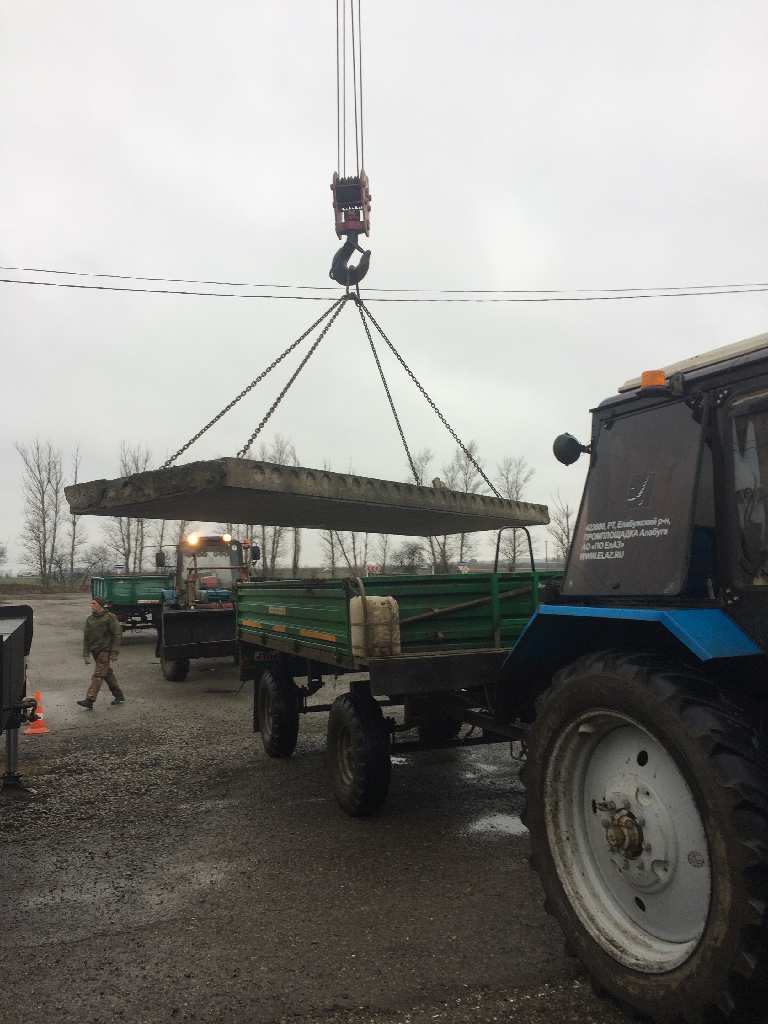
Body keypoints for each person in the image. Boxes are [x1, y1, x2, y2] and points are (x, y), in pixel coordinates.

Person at [77, 596, 125, 709]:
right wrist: (86, 654)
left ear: (100, 605)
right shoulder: (90, 619)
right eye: (91, 603)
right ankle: (119, 696)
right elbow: (86, 638)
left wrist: (114, 652)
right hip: (95, 651)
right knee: (107, 673)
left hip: (105, 651)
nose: (91, 605)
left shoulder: (109, 617)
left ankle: (90, 700)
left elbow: (117, 634)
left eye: (94, 603)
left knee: (98, 675)